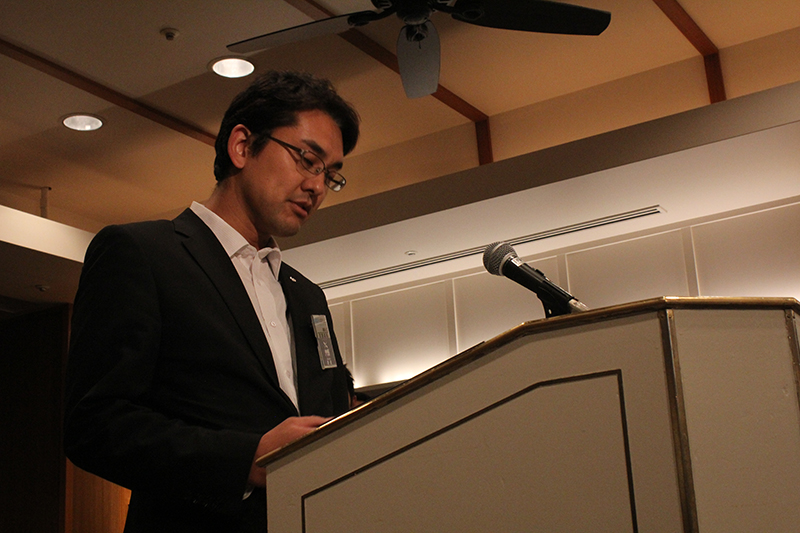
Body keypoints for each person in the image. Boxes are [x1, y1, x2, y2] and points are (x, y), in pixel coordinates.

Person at [64, 71, 360, 533]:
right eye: (308, 160)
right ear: (242, 146)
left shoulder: (307, 295)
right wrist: (245, 458)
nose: (317, 186)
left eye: (331, 174)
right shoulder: (142, 253)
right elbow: (95, 425)